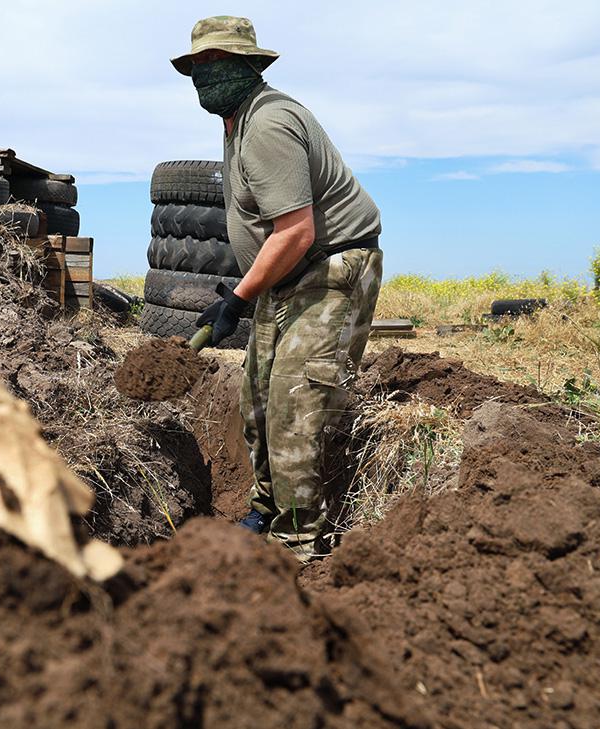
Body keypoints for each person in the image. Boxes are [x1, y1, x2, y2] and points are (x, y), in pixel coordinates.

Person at [171, 16, 383, 561]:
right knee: (256, 400)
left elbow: (297, 230)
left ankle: (297, 545)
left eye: (216, 63)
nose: (204, 74)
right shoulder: (234, 123)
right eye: (197, 65)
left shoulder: (267, 124)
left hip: (329, 270)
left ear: (247, 66)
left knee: (295, 404)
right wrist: (247, 294)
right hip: (288, 277)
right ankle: (267, 509)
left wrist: (238, 298)